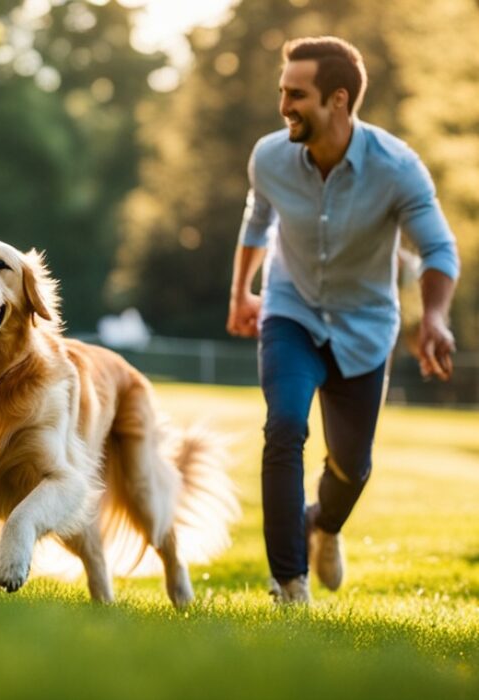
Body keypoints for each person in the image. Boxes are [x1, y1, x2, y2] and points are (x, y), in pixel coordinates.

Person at [226, 37, 459, 603]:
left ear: (338, 99)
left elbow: (439, 251)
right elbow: (257, 222)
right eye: (282, 92)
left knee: (351, 468)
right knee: (284, 428)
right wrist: (241, 293)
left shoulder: (397, 169)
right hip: (291, 312)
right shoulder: (270, 157)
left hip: (364, 326)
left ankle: (323, 525)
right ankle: (289, 583)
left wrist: (434, 318)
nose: (283, 106)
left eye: (296, 95)